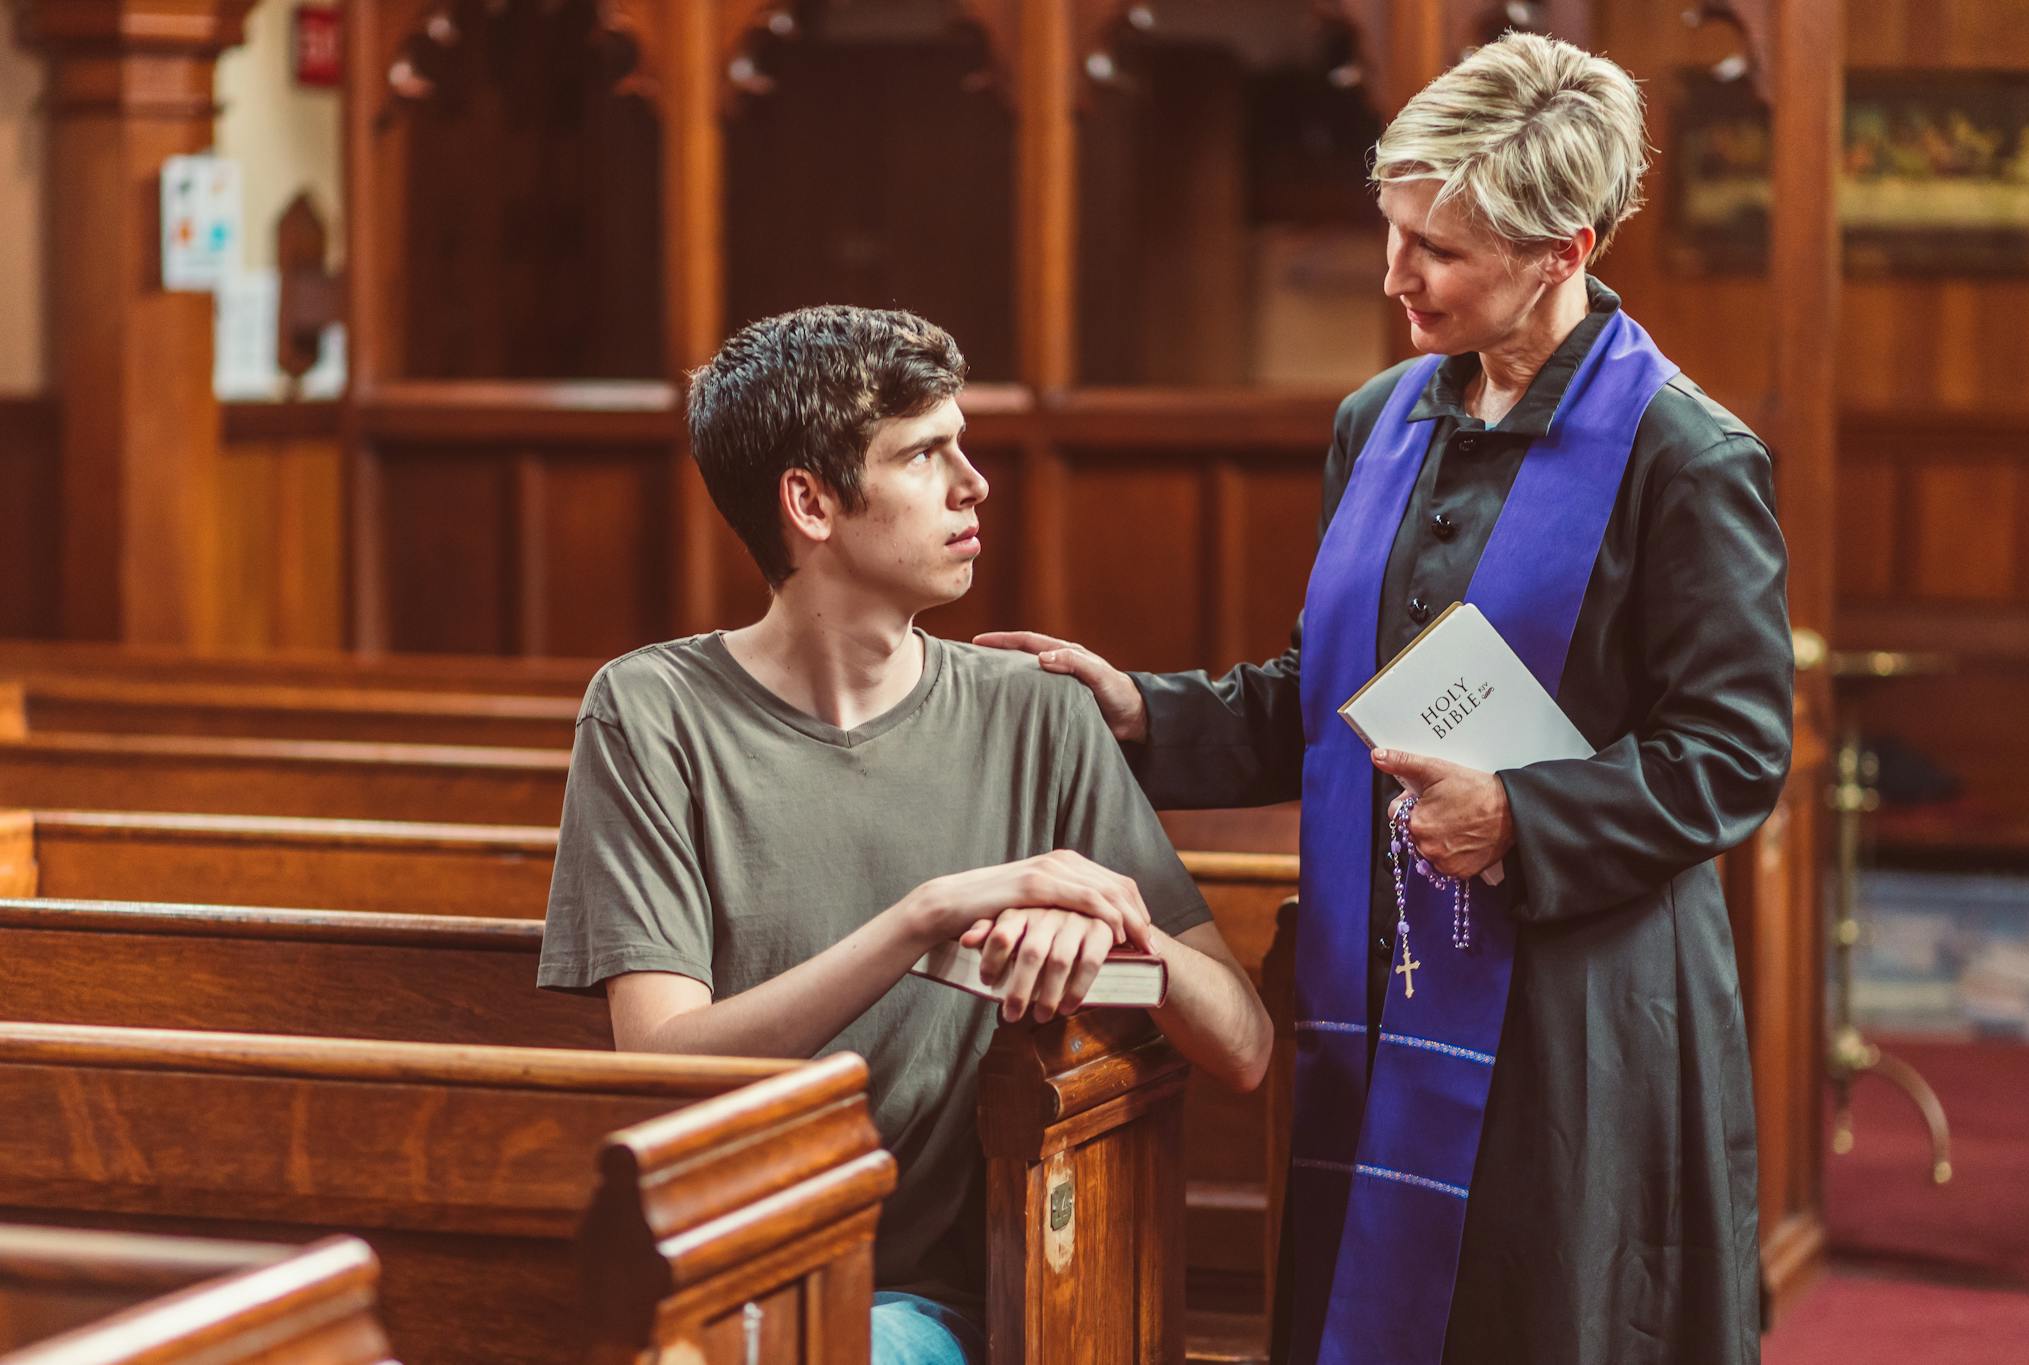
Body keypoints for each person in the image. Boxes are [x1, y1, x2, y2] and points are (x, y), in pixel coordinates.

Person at [978, 32, 1792, 1365]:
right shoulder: (1382, 418)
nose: (1392, 274)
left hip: (1568, 1007)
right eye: (1393, 230)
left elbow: (1731, 756)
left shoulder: (1685, 456)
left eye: (1439, 249)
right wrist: (1135, 708)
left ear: (1564, 252)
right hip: (1387, 963)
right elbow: (1328, 693)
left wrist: (1518, 817)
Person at [537, 305, 1272, 1365]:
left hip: (932, 1302)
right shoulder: (649, 711)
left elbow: (1243, 1048)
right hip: (724, 1273)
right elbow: (662, 1059)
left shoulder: (1038, 710)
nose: (973, 485)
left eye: (960, 446)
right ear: (811, 502)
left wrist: (1129, 946)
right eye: (926, 454)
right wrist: (924, 919)